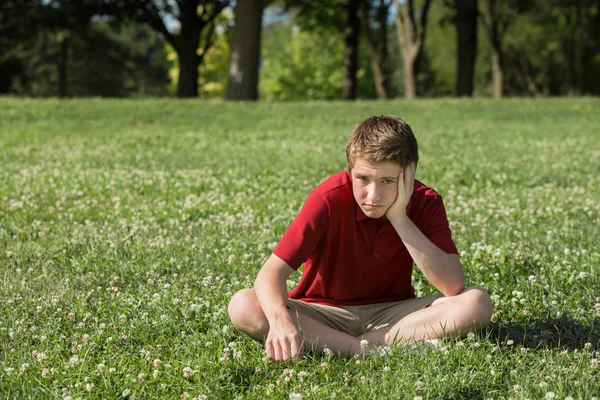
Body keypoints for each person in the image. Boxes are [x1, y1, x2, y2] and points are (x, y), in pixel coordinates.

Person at [228, 116, 493, 362]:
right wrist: (280, 321)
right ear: (349, 169)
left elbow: (452, 285)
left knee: (476, 302)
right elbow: (270, 275)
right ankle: (365, 349)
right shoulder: (328, 198)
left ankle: (354, 346)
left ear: (409, 172)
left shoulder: (426, 202)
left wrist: (399, 217)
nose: (373, 195)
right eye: (363, 178)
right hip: (323, 313)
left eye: (388, 181)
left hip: (393, 314)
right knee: (243, 304)